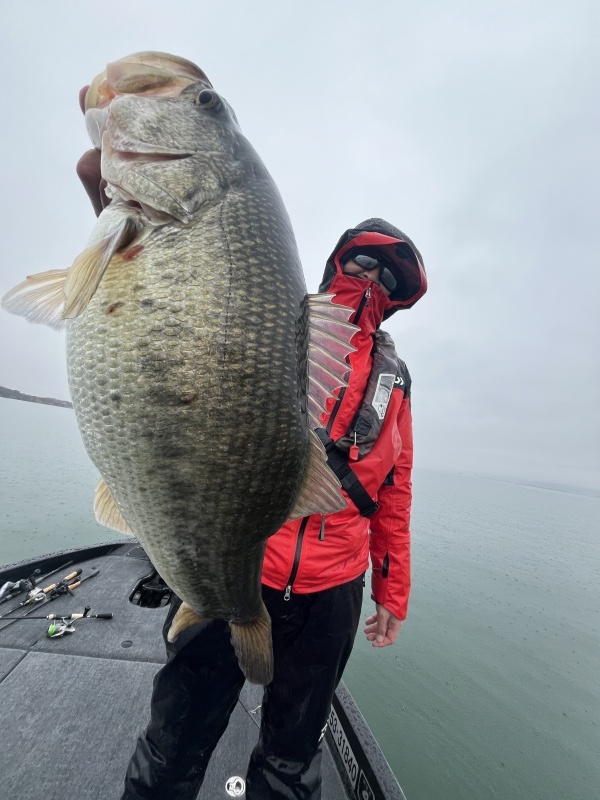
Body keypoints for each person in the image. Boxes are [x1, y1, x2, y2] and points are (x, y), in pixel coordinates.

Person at [76, 90, 427, 800]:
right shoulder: (276, 317)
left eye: (389, 276)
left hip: (333, 588)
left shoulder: (394, 382)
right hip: (244, 558)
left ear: (398, 297)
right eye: (363, 262)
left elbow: (395, 491)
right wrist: (129, 217)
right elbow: (180, 328)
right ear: (336, 263)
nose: (373, 280)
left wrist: (392, 591)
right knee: (175, 740)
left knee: (293, 758)